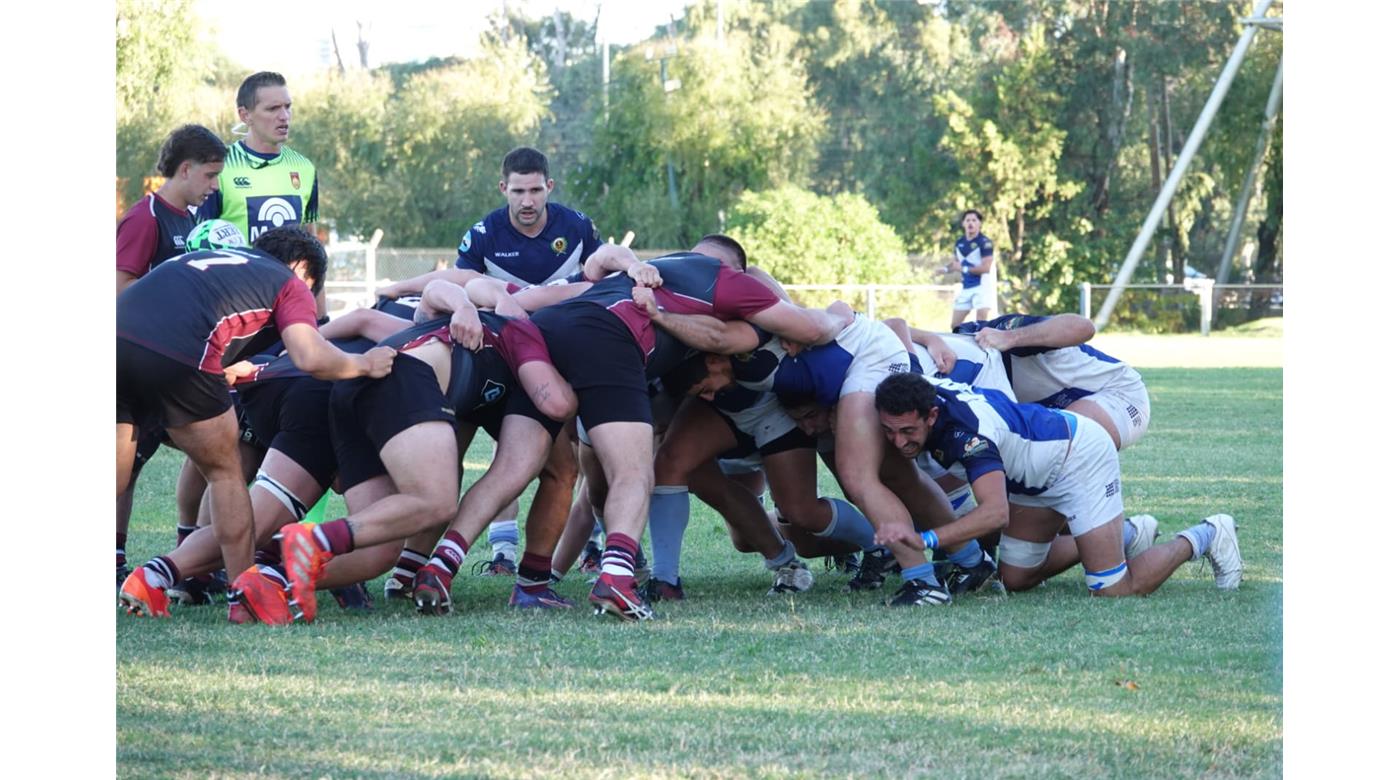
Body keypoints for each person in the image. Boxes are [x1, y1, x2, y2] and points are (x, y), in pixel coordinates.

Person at [117, 226, 394, 597]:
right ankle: (245, 593)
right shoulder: (289, 282)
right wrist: (364, 364)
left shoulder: (220, 264)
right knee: (225, 473)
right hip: (181, 352)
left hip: (115, 333)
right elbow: (310, 356)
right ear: (301, 269)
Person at [376, 147, 604, 574]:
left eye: (536, 190)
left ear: (549, 187)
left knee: (572, 458)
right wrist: (399, 290)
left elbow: (602, 277)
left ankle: (588, 545)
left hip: (558, 357)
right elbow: (458, 284)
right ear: (504, 188)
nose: (528, 201)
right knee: (455, 464)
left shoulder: (576, 227)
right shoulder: (483, 234)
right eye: (518, 191)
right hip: (489, 363)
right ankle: (465, 560)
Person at [871, 371, 1243, 598]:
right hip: (1033, 476)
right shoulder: (917, 389)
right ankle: (1129, 534)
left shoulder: (969, 436)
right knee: (1015, 579)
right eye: (889, 431)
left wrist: (928, 540)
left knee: (1113, 589)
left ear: (932, 414)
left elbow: (995, 513)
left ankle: (1207, 534)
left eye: (908, 431)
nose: (899, 442)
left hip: (1080, 460)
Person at [196, 72, 318, 245]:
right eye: (273, 108)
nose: (284, 116)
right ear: (245, 115)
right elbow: (198, 239)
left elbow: (311, 242)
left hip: (287, 273)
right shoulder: (219, 167)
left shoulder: (305, 168)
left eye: (287, 106)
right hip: (235, 272)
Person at [117, 125, 228, 292]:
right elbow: (118, 288)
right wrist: (179, 285)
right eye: (210, 175)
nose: (216, 186)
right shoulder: (145, 218)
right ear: (185, 170)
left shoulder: (189, 216)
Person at [944, 210, 995, 328]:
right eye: (968, 220)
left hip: (982, 287)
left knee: (981, 324)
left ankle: (983, 346)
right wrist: (945, 269)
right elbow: (956, 263)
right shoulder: (959, 242)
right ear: (963, 223)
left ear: (979, 224)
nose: (970, 223)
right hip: (966, 288)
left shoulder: (985, 242)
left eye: (974, 220)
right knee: (955, 325)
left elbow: (986, 268)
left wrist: (964, 268)